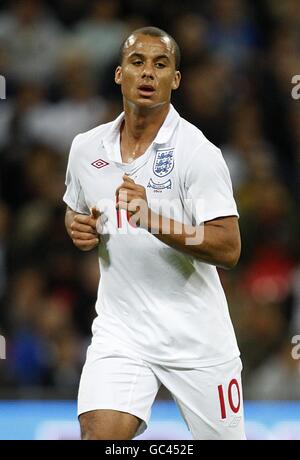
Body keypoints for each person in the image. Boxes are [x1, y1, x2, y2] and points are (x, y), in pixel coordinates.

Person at [63, 26, 246, 440]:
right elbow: (74, 211)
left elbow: (228, 247)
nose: (148, 73)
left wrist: (155, 220)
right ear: (118, 74)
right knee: (99, 436)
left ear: (175, 80)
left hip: (197, 340)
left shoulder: (197, 153)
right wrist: (77, 228)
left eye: (161, 64)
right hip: (121, 332)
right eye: (138, 62)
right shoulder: (85, 149)